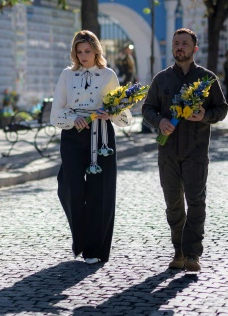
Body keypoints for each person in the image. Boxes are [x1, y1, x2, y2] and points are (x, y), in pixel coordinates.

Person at [141, 28, 227, 272]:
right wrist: (160, 122)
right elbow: (147, 109)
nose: (180, 47)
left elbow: (222, 110)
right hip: (167, 151)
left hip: (196, 151)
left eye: (185, 43)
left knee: (196, 201)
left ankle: (192, 254)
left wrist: (204, 115)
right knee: (173, 204)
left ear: (194, 49)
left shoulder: (207, 79)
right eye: (176, 43)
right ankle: (178, 250)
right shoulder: (162, 79)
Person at [50, 30, 132, 265]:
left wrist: (112, 113)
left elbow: (124, 115)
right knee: (70, 188)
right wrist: (71, 118)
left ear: (97, 51)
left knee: (101, 192)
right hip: (73, 135)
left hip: (102, 135)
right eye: (79, 51)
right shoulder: (67, 75)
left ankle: (95, 249)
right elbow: (56, 114)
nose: (83, 56)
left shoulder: (108, 75)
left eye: (87, 51)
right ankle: (81, 240)